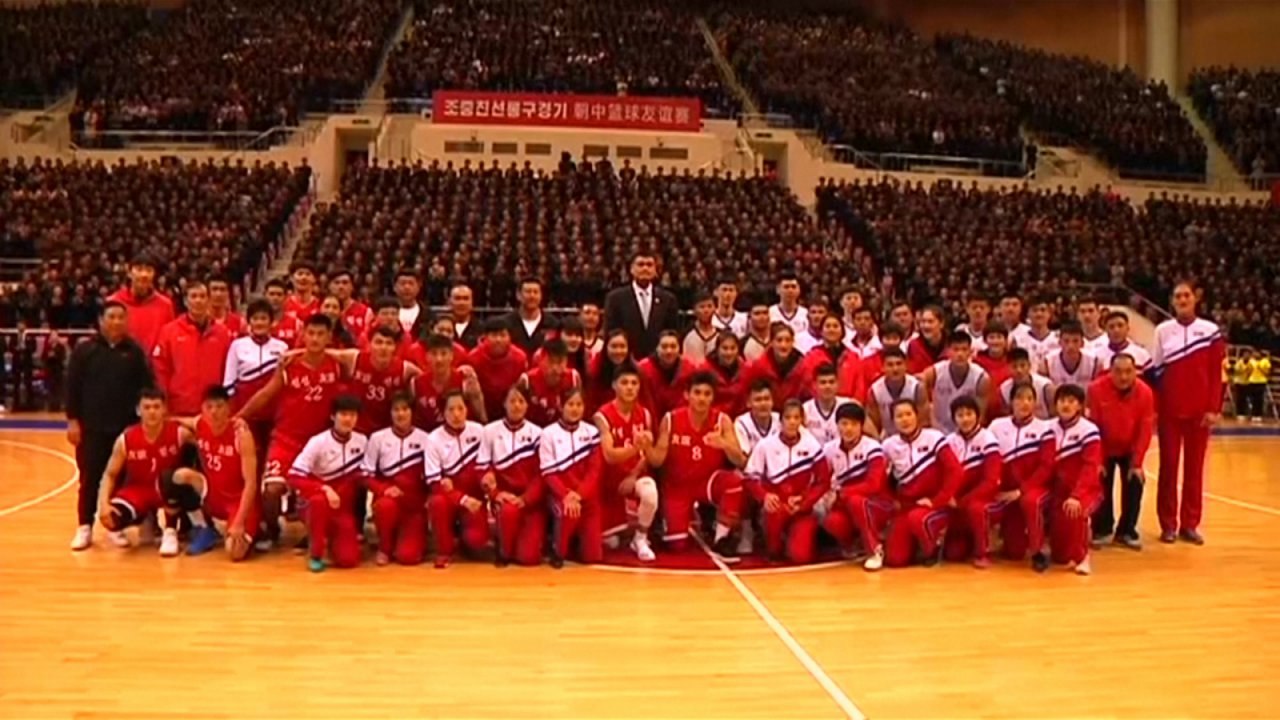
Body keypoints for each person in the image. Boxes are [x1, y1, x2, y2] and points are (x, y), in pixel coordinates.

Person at [236, 314, 347, 549]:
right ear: (303, 335)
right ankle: (271, 529)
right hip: (286, 439)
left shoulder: (337, 366)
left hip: (318, 443)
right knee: (272, 489)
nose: (315, 338)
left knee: (319, 494)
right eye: (311, 333)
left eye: (320, 334)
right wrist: (240, 416)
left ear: (329, 337)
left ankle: (314, 531)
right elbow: (266, 394)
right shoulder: (289, 365)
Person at [66, 301, 155, 551]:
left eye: (121, 317)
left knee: (122, 480)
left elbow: (146, 388)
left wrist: (143, 422)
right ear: (101, 320)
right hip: (91, 427)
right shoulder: (85, 351)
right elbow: (72, 387)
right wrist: (73, 420)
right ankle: (84, 526)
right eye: (112, 317)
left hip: (124, 429)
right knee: (90, 479)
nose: (117, 322)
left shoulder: (135, 352)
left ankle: (116, 527)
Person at [1151, 281, 1225, 545]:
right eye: (1177, 296)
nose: (1182, 299)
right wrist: (1156, 409)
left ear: (1196, 299)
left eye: (1186, 295)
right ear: (1172, 301)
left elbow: (1218, 373)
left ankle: (1190, 524)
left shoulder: (1210, 331)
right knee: (1168, 469)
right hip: (1170, 410)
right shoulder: (1162, 331)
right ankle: (1168, 524)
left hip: (1199, 412)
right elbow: (1156, 372)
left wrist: (1213, 407)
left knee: (1194, 470)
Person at [643, 372, 747, 558]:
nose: (702, 398)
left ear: (713, 397)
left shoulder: (722, 421)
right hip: (677, 487)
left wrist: (725, 444)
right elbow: (657, 460)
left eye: (707, 394)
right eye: (697, 393)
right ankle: (678, 520)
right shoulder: (671, 419)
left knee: (734, 482)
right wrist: (645, 447)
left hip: (706, 482)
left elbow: (740, 461)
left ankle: (721, 539)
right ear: (687, 395)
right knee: (678, 546)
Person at [94, 387, 192, 556]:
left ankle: (170, 532)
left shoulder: (179, 433)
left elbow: (206, 442)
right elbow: (110, 474)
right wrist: (103, 504)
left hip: (165, 488)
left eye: (156, 407)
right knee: (111, 520)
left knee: (171, 478)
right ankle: (144, 519)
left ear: (164, 409)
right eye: (147, 407)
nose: (152, 412)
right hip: (139, 490)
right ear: (139, 411)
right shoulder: (126, 439)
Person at [165, 385, 258, 561]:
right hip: (213, 495)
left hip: (237, 501)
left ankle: (251, 529)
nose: (214, 412)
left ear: (229, 408)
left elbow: (251, 483)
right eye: (209, 407)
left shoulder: (242, 435)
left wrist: (239, 521)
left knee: (234, 553)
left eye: (219, 406)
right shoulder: (200, 424)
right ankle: (204, 527)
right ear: (203, 409)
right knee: (179, 476)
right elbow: (180, 421)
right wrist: (162, 418)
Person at [743, 399, 831, 563]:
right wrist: (765, 496)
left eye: (796, 418)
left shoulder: (812, 446)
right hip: (776, 506)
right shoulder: (765, 446)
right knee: (774, 553)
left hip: (802, 508)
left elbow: (823, 481)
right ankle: (773, 542)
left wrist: (805, 501)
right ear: (781, 420)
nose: (792, 422)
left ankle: (794, 536)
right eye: (788, 418)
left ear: (802, 421)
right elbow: (750, 478)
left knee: (801, 557)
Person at [287, 394, 368, 572]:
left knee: (348, 560)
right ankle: (315, 552)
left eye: (353, 415)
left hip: (342, 510)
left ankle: (331, 539)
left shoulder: (362, 442)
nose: (348, 419)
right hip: (315, 503)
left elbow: (366, 475)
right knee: (318, 502)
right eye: (343, 414)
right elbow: (293, 476)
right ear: (333, 416)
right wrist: (323, 488)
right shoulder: (318, 442)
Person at [879, 399, 962, 569]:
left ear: (917, 416)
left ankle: (933, 547)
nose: (905, 419)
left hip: (934, 504)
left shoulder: (934, 438)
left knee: (917, 519)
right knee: (895, 560)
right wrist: (891, 500)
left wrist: (938, 500)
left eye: (908, 414)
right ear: (892, 421)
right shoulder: (888, 446)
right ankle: (917, 542)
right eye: (899, 416)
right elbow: (880, 480)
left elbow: (955, 472)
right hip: (906, 506)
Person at [1087, 354, 1155, 549]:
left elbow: (1145, 429)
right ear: (1110, 372)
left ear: (1136, 372)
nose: (1123, 377)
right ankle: (1102, 528)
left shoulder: (1146, 393)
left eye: (1128, 372)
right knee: (1098, 481)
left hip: (1130, 447)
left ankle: (1127, 530)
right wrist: (1098, 461)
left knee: (1136, 480)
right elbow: (1094, 428)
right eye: (1118, 372)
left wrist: (1137, 463)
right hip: (1104, 446)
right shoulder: (1096, 389)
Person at [594, 366, 659, 561]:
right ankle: (619, 525)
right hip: (606, 481)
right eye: (624, 383)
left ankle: (640, 538)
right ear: (614, 386)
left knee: (650, 492)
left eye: (634, 383)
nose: (630, 388)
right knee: (610, 542)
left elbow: (647, 453)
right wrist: (634, 447)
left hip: (633, 475)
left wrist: (633, 475)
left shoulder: (645, 414)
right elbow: (609, 455)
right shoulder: (602, 416)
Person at [988, 381, 1057, 563]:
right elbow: (988, 459)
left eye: (1029, 398)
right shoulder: (996, 426)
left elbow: (1046, 467)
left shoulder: (1045, 429)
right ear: (1011, 402)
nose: (1024, 403)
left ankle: (1038, 551)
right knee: (1015, 552)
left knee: (1031, 501)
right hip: (1006, 491)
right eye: (1019, 398)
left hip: (1035, 488)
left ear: (1035, 403)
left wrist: (1021, 490)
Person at [364, 391, 431, 566]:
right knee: (385, 505)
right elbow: (365, 474)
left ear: (412, 412)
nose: (400, 414)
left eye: (404, 409)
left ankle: (408, 537)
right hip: (388, 500)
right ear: (390, 413)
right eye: (395, 410)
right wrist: (383, 489)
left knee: (408, 557)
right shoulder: (377, 438)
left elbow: (432, 475)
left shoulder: (426, 439)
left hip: (414, 507)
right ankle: (384, 547)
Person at [424, 390, 490, 567]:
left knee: (476, 541)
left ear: (467, 410)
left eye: (460, 408)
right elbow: (434, 482)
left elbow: (487, 466)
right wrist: (462, 498)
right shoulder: (433, 439)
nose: (456, 414)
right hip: (450, 497)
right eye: (451, 409)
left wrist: (488, 481)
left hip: (475, 497)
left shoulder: (480, 432)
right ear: (443, 412)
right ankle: (444, 551)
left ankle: (463, 536)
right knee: (437, 501)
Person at [481, 386, 546, 567]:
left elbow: (542, 474)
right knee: (509, 511)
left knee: (529, 558)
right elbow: (483, 469)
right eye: (512, 401)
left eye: (521, 401)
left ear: (527, 406)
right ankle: (503, 551)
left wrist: (526, 499)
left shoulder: (538, 434)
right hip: (505, 499)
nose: (516, 406)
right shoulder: (489, 431)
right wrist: (496, 494)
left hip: (530, 502)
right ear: (504, 404)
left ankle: (520, 542)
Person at [819, 403, 890, 566]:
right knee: (832, 520)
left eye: (854, 424)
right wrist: (826, 496)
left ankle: (875, 549)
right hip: (847, 503)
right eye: (844, 424)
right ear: (837, 425)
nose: (848, 429)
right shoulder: (829, 449)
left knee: (856, 501)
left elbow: (874, 485)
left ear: (861, 426)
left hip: (877, 504)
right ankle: (853, 544)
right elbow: (822, 480)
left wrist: (841, 493)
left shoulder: (873, 448)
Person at [541, 387, 604, 568]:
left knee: (593, 557)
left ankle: (578, 539)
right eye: (570, 404)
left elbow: (594, 470)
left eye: (579, 404)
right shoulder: (548, 433)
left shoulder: (591, 433)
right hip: (560, 495)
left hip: (586, 497)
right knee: (568, 512)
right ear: (561, 406)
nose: (575, 409)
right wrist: (566, 495)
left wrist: (579, 495)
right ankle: (557, 549)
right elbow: (548, 472)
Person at [151, 280, 232, 416]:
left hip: (213, 409)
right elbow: (161, 370)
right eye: (193, 296)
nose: (198, 301)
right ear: (185, 301)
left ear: (208, 300)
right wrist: (163, 402)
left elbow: (227, 371)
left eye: (202, 296)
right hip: (180, 408)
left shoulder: (222, 333)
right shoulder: (169, 331)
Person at [1046, 384, 1102, 575]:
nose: (1066, 405)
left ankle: (1083, 556)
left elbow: (1090, 467)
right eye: (1062, 401)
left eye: (1071, 401)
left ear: (1080, 406)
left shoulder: (1089, 431)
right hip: (1058, 489)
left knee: (1075, 511)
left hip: (1085, 489)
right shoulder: (1048, 428)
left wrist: (1077, 495)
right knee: (1060, 556)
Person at [941, 396, 1002, 568]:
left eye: (969, 414)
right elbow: (943, 474)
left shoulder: (988, 440)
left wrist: (964, 501)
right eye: (960, 415)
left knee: (976, 508)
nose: (965, 419)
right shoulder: (949, 441)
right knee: (953, 555)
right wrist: (949, 496)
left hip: (984, 499)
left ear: (978, 415)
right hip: (957, 502)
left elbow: (991, 481)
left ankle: (983, 552)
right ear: (954, 419)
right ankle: (969, 538)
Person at [604, 252, 679, 358]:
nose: (645, 268)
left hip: (658, 361)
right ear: (631, 269)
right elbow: (611, 331)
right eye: (640, 264)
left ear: (655, 270)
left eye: (649, 265)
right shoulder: (615, 298)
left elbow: (672, 332)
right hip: (625, 359)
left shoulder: (668, 299)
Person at [920, 331, 990, 433]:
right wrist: (932, 423)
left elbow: (980, 416)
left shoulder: (981, 378)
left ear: (971, 352)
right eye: (955, 350)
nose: (960, 354)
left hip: (967, 430)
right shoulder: (933, 373)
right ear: (948, 352)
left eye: (964, 349)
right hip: (938, 429)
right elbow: (922, 402)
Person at [107, 252, 174, 357]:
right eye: (139, 269)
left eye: (149, 270)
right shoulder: (114, 302)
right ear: (129, 273)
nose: (144, 275)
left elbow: (170, 341)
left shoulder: (165, 305)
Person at [411, 334, 483, 430]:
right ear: (427, 357)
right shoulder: (416, 383)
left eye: (443, 353)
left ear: (451, 356)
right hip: (430, 439)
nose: (439, 359)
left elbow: (481, 416)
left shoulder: (465, 380)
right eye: (434, 354)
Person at [467, 319, 529, 421]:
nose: (498, 340)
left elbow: (520, 392)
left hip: (510, 411)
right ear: (485, 337)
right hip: (480, 412)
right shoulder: (473, 358)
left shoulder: (520, 358)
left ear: (510, 337)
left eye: (503, 335)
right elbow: (473, 395)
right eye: (494, 335)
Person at [801, 314, 867, 402]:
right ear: (821, 331)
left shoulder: (853, 357)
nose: (831, 330)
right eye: (828, 326)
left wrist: (854, 406)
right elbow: (808, 384)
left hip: (848, 407)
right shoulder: (811, 356)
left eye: (835, 326)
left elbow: (859, 386)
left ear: (842, 331)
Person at [637, 330, 700, 421]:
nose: (669, 351)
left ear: (680, 349)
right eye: (664, 347)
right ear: (657, 348)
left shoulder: (690, 368)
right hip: (651, 419)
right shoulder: (643, 369)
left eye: (673, 346)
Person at [745, 323, 810, 408]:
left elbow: (807, 396)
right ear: (771, 342)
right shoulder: (759, 367)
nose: (783, 345)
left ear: (793, 342)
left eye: (788, 340)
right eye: (779, 340)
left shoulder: (803, 366)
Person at [867, 347, 926, 438]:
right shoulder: (874, 390)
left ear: (906, 365)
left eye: (899, 364)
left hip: (915, 436)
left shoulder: (917, 387)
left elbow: (924, 421)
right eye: (890, 365)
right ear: (882, 367)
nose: (895, 369)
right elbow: (874, 424)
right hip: (888, 437)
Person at [505, 277, 559, 356]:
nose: (532, 296)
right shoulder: (506, 323)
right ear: (518, 295)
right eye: (528, 292)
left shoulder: (553, 324)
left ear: (541, 296)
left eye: (536, 292)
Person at [585, 330, 635, 414]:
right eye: (614, 346)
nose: (618, 351)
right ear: (606, 348)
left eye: (622, 346)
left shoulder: (635, 370)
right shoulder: (595, 370)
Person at [802, 364, 855, 444]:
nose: (828, 386)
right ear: (814, 385)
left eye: (831, 382)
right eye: (823, 382)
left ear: (838, 384)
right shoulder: (805, 409)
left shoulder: (849, 405)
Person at [1042, 321, 1100, 394]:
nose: (1070, 346)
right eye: (1066, 341)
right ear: (1059, 342)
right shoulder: (1047, 362)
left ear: (1082, 343)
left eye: (1075, 341)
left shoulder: (1094, 362)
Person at [999, 348, 1054, 419]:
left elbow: (1055, 418)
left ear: (1029, 366)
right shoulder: (1004, 389)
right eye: (1014, 366)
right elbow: (1008, 417)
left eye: (1022, 366)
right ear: (1008, 368)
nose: (1019, 370)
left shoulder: (1045, 387)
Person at [734, 379, 780, 460]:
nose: (763, 404)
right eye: (758, 400)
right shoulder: (741, 423)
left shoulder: (781, 420)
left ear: (772, 401)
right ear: (748, 403)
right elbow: (745, 458)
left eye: (766, 399)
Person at [1010, 295, 1059, 369]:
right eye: (1035, 310)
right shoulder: (1018, 340)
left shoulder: (1059, 339)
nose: (1039, 314)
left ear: (1049, 314)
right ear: (1028, 314)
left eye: (1043, 310)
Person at [706, 332, 747, 417]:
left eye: (733, 348)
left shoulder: (745, 369)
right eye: (725, 348)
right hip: (714, 417)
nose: (729, 353)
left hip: (739, 418)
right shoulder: (706, 370)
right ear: (717, 349)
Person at [329, 269, 373, 343]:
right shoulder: (321, 309)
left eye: (345, 283)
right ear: (329, 286)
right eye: (336, 283)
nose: (341, 286)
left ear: (352, 287)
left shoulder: (365, 312)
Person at [904, 305, 947, 375]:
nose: (926, 326)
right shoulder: (914, 345)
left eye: (930, 321)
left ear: (941, 324)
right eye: (923, 322)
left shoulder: (951, 345)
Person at [393, 268, 431, 342]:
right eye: (403, 283)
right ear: (395, 287)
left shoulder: (427, 315)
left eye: (411, 283)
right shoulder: (387, 313)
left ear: (419, 287)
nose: (407, 287)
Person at [264, 278, 303, 346]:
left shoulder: (296, 324)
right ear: (265, 296)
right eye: (271, 294)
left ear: (286, 297)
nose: (275, 298)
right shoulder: (256, 324)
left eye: (279, 294)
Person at [682, 291, 719, 362]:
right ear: (694, 310)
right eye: (702, 307)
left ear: (715, 309)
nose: (706, 310)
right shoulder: (685, 334)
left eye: (709, 306)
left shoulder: (721, 335)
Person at [1243, 349, 1272, 423]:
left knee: (1259, 399)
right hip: (1252, 381)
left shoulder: (1265, 361)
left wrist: (1260, 367)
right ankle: (1252, 414)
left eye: (1257, 353)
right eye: (1254, 353)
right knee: (1252, 398)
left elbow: (1267, 372)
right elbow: (1247, 370)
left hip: (1261, 381)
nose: (1255, 354)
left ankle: (1258, 415)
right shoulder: (1251, 361)